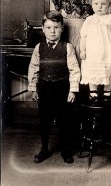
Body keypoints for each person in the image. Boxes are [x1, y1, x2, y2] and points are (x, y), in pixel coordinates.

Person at [28, 10, 80, 164]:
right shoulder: (39, 48)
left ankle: (65, 149)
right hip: (44, 88)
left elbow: (74, 70)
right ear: (43, 29)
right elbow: (34, 68)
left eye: (56, 27)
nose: (52, 31)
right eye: (49, 27)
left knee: (64, 120)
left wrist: (72, 90)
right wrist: (33, 88)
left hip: (62, 88)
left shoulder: (68, 47)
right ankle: (44, 149)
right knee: (44, 120)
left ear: (62, 28)